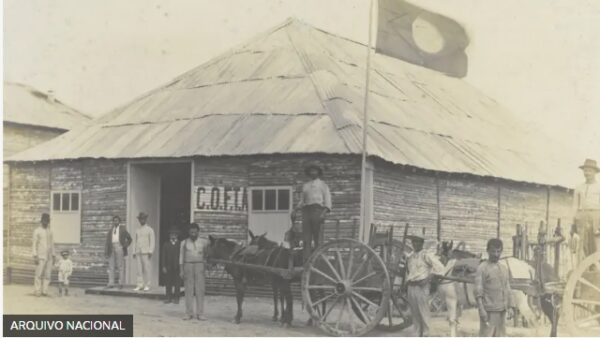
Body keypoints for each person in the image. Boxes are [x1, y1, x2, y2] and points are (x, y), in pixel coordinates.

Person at [405, 234, 445, 337]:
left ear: (422, 243)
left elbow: (440, 267)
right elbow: (408, 271)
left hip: (422, 286)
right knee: (414, 312)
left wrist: (429, 278)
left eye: (418, 242)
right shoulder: (410, 256)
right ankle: (417, 333)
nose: (415, 244)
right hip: (411, 286)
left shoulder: (426, 255)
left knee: (423, 311)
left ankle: (426, 334)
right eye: (413, 242)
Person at [475, 238, 515, 337]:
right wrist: (481, 310)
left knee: (500, 335)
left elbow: (507, 288)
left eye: (498, 251)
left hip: (502, 310)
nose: (496, 254)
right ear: (487, 251)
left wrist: (510, 306)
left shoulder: (503, 268)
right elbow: (478, 291)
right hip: (489, 311)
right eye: (493, 251)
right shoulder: (482, 268)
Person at [292, 163, 332, 263]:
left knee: (318, 236)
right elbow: (302, 201)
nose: (313, 172)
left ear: (318, 172)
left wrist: (324, 213)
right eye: (311, 171)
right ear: (309, 173)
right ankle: (307, 260)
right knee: (306, 237)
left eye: (315, 170)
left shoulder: (323, 185)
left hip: (317, 210)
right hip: (306, 211)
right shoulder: (305, 186)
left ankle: (318, 259)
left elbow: (327, 201)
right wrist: (296, 209)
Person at [180, 223, 209, 321]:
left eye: (195, 232)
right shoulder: (184, 243)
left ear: (198, 232)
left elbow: (207, 254)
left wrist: (205, 264)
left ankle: (200, 313)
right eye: (191, 232)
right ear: (189, 232)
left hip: (199, 265)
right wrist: (181, 270)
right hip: (188, 265)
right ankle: (189, 313)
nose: (193, 234)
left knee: (200, 290)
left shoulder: (203, 242)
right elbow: (181, 258)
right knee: (188, 290)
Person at [572, 158, 600, 257]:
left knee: (597, 244)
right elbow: (575, 205)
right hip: (582, 217)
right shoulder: (579, 187)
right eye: (585, 170)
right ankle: (585, 270)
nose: (587, 173)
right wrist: (573, 222)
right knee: (583, 244)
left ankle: (597, 268)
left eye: (590, 171)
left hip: (596, 216)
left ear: (595, 172)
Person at [105, 215, 132, 289]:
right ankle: (111, 283)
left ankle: (121, 283)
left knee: (120, 266)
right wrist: (106, 252)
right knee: (111, 266)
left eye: (116, 220)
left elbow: (130, 239)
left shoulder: (123, 229)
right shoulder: (110, 230)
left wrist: (125, 246)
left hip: (119, 246)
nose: (115, 222)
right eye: (114, 220)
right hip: (111, 247)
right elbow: (107, 242)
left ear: (119, 221)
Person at [32, 213, 55, 297]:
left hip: (49, 256)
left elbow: (52, 244)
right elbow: (34, 244)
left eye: (47, 221)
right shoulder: (37, 231)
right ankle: (37, 290)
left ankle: (44, 290)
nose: (46, 223)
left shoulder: (50, 231)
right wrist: (35, 256)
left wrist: (53, 255)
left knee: (48, 274)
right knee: (38, 274)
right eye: (44, 221)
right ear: (41, 221)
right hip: (40, 255)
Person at [133, 212, 155, 291]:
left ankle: (147, 284)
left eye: (143, 219)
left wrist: (150, 251)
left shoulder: (150, 230)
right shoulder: (137, 230)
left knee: (146, 268)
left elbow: (152, 241)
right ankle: (140, 284)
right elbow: (135, 241)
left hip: (146, 251)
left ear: (145, 219)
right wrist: (134, 251)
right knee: (139, 269)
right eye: (140, 219)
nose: (141, 220)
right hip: (138, 251)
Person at [161, 227, 181, 304]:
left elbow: (182, 256)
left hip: (177, 266)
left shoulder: (179, 244)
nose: (173, 236)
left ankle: (176, 298)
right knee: (168, 283)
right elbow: (163, 256)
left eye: (174, 234)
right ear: (169, 236)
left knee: (177, 283)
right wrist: (163, 266)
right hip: (168, 266)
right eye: (171, 234)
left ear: (177, 235)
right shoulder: (166, 244)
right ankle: (168, 297)